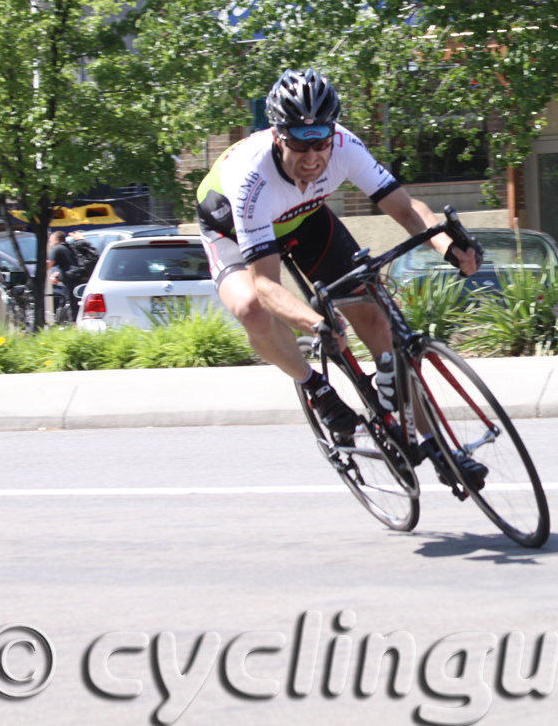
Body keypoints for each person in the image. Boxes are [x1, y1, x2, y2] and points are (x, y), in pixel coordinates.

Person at [195, 68, 483, 479]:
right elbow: (265, 284)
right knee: (250, 308)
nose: (312, 157)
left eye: (320, 143)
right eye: (298, 142)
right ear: (277, 135)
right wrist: (316, 325)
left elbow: (403, 207)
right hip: (231, 227)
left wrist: (446, 245)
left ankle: (436, 445)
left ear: (332, 133)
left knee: (376, 318)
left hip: (305, 219)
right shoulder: (251, 180)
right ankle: (316, 388)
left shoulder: (346, 146)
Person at [46, 230, 84, 321]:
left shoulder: (57, 248)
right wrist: (59, 274)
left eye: (50, 241)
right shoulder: (69, 247)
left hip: (72, 282)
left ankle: (75, 326)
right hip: (81, 279)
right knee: (78, 305)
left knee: (73, 306)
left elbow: (48, 265)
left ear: (57, 240)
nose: (50, 244)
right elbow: (71, 264)